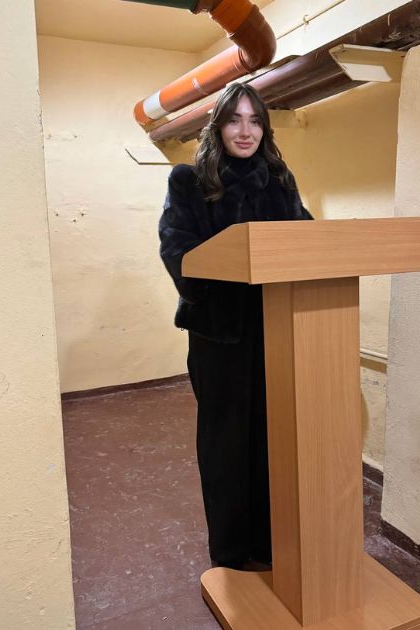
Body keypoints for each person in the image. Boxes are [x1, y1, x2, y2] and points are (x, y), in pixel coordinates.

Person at [158, 82, 312, 569]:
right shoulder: (189, 180)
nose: (245, 131)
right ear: (218, 127)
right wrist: (217, 283)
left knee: (272, 437)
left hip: (275, 328)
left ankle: (270, 541)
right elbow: (177, 250)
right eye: (234, 120)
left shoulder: (279, 180)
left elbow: (308, 239)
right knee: (225, 442)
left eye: (255, 120)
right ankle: (231, 551)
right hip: (219, 334)